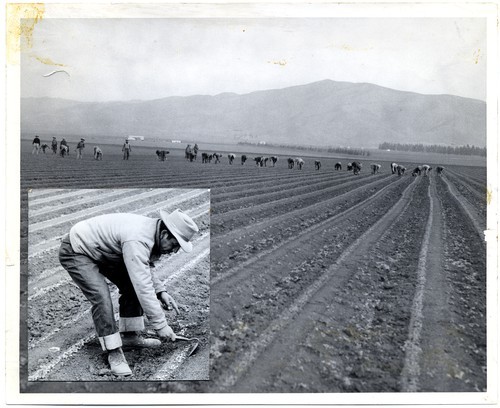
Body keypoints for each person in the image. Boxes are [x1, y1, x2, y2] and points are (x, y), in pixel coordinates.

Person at [58, 209, 199, 376]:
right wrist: (161, 325)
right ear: (164, 234)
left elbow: (143, 268)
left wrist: (161, 291)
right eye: (175, 245)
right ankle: (114, 352)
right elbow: (143, 285)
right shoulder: (138, 238)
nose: (174, 251)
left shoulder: (150, 234)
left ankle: (129, 336)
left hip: (104, 251)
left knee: (132, 284)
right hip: (77, 250)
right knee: (101, 296)